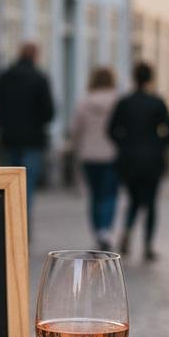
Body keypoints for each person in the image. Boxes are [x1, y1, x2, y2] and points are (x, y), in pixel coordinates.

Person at [109, 62, 169, 261]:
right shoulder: (157, 102)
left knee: (134, 200)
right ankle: (147, 245)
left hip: (129, 160)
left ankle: (127, 233)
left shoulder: (125, 102)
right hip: (152, 160)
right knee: (151, 202)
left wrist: (124, 143)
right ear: (150, 78)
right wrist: (159, 145)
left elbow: (111, 129)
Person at [0, 43, 55, 219]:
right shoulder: (40, 79)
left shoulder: (5, 77)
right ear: (35, 56)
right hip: (32, 140)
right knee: (26, 185)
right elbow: (49, 112)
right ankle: (21, 225)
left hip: (9, 139)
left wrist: (5, 126)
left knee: (7, 184)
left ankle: (6, 222)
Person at [69, 66, 119, 250]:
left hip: (88, 155)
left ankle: (98, 230)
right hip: (111, 154)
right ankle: (105, 229)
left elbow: (75, 130)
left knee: (95, 195)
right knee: (110, 194)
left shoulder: (84, 102)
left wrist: (76, 147)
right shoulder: (117, 101)